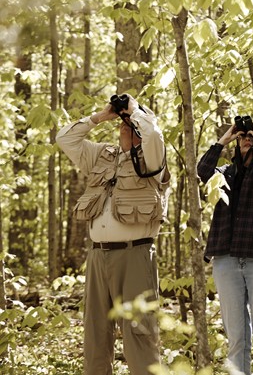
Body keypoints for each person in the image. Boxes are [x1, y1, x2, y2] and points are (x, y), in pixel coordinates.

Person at [55, 94, 171, 375]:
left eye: (131, 123)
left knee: (140, 334)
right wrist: (101, 116)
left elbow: (154, 135)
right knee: (95, 335)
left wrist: (136, 111)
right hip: (97, 256)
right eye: (123, 122)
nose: (125, 126)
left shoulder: (152, 160)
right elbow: (65, 139)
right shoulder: (101, 155)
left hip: (135, 255)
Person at [197, 117, 253, 375]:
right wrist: (224, 138)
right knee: (236, 339)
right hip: (226, 259)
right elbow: (201, 171)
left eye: (252, 136)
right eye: (243, 136)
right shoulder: (224, 174)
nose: (247, 139)